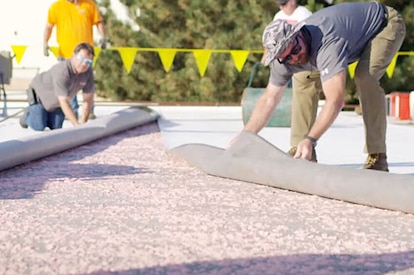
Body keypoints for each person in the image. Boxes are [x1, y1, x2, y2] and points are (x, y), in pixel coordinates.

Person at [238, 2, 405, 172]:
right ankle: (301, 151)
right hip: (350, 38)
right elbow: (269, 98)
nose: (294, 58)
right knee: (303, 77)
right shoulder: (284, 58)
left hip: (383, 25)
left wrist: (311, 139)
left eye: (295, 50)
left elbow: (335, 100)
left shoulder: (327, 43)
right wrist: (245, 136)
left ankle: (377, 156)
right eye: (286, 58)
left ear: (299, 34)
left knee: (364, 77)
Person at [273, 0, 322, 162]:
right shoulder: (278, 16)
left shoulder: (303, 13)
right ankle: (299, 145)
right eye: (280, 5)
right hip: (289, 61)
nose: (283, 7)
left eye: (284, 3)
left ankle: (303, 146)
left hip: (307, 58)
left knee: (304, 88)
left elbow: (310, 37)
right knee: (293, 97)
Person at [43, 0, 108, 120]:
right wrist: (45, 42)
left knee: (87, 83)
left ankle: (89, 111)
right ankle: (71, 111)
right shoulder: (57, 6)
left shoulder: (89, 5)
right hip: (66, 54)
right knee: (68, 84)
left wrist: (103, 37)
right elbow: (49, 26)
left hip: (86, 55)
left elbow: (99, 22)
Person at [20, 43, 95, 131]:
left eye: (88, 62)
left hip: (56, 104)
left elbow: (88, 99)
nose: (84, 64)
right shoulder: (63, 71)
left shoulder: (88, 72)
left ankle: (45, 116)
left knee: (56, 128)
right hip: (39, 98)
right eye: (81, 59)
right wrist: (76, 125)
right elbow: (64, 101)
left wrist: (83, 123)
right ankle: (26, 116)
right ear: (73, 56)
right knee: (39, 126)